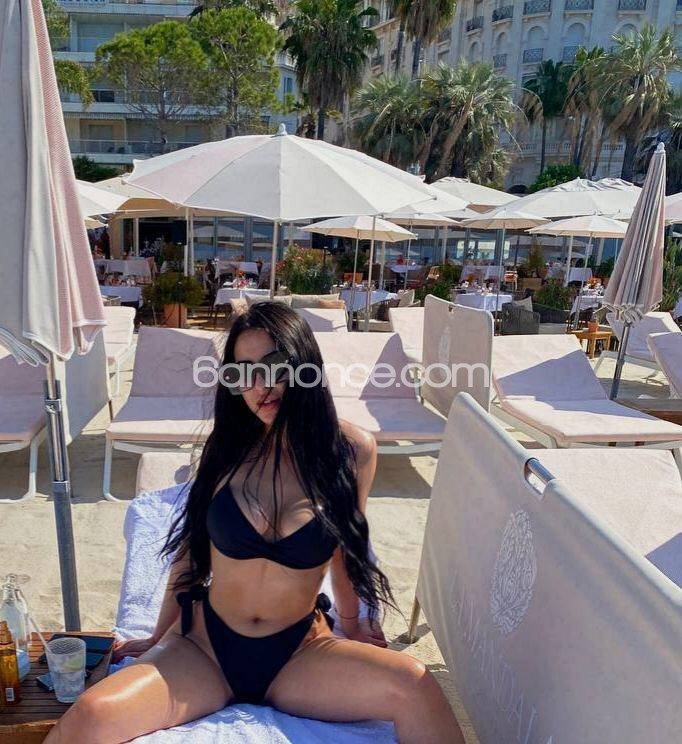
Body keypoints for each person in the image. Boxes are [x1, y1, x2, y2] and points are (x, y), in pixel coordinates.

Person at [45, 304, 464, 744]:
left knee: (417, 686)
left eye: (273, 366)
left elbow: (344, 547)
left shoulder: (351, 451)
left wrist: (352, 622)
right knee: (90, 715)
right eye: (241, 373)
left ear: (304, 365)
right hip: (205, 649)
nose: (259, 386)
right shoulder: (227, 449)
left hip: (300, 653)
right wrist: (156, 637)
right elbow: (190, 553)